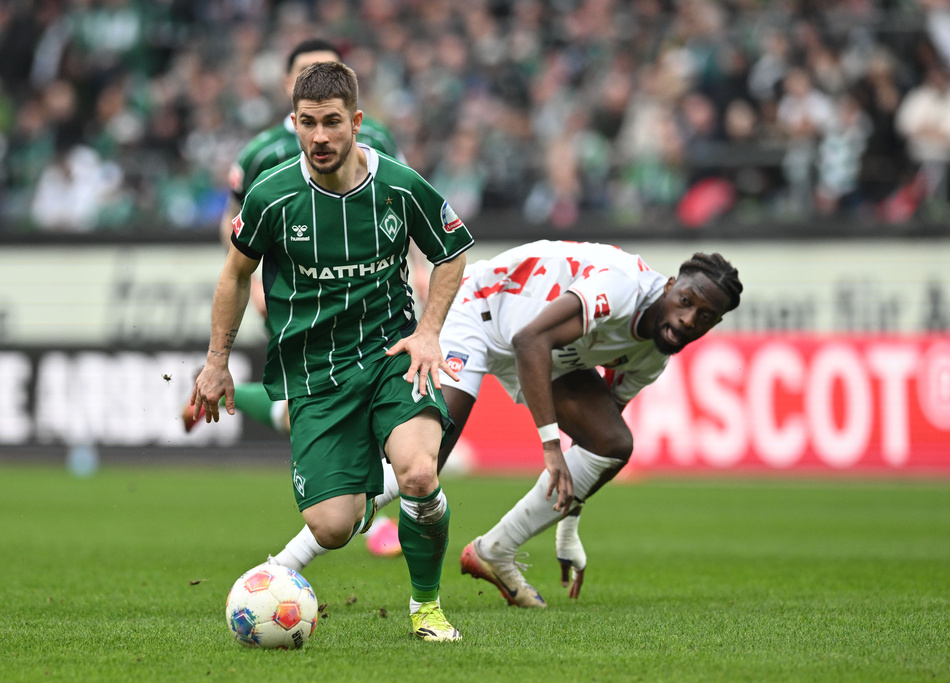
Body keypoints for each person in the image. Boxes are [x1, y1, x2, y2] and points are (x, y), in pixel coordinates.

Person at [267, 239, 742, 608]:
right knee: (422, 464)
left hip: (544, 349)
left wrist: (568, 527)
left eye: (705, 316)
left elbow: (588, 448)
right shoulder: (621, 286)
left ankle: (496, 549)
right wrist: (549, 445)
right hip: (478, 310)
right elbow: (529, 339)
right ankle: (284, 566)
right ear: (671, 283)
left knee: (612, 442)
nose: (688, 319)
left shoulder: (653, 356)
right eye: (686, 300)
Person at [189, 61, 473, 641]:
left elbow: (451, 253)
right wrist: (216, 360)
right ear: (293, 123)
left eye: (333, 123)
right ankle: (361, 496)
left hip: (395, 354)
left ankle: (427, 608)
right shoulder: (272, 195)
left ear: (357, 122)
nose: (321, 137)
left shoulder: (398, 184)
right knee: (333, 525)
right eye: (309, 123)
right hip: (317, 374)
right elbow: (235, 275)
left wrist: (430, 330)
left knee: (420, 473)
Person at [183, 38, 410, 558]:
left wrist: (415, 272)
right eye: (306, 75)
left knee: (388, 415)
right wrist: (258, 279)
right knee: (312, 400)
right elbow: (236, 230)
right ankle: (362, 509)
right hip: (294, 302)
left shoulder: (376, 140)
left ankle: (376, 514)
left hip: (372, 306)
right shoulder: (261, 155)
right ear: (291, 88)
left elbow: (404, 210)